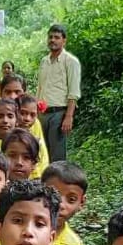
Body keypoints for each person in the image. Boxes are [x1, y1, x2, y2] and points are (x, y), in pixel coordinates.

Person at [37, 24, 81, 162]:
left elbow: (73, 92)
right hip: (42, 113)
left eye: (57, 37)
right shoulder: (44, 61)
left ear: (64, 40)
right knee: (42, 153)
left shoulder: (71, 61)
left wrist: (69, 116)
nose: (53, 40)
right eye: (50, 37)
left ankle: (58, 177)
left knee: (57, 155)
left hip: (59, 113)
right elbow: (40, 87)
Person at [17, 93, 49, 174]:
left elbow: (43, 155)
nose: (27, 119)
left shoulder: (36, 124)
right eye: (22, 113)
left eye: (32, 115)